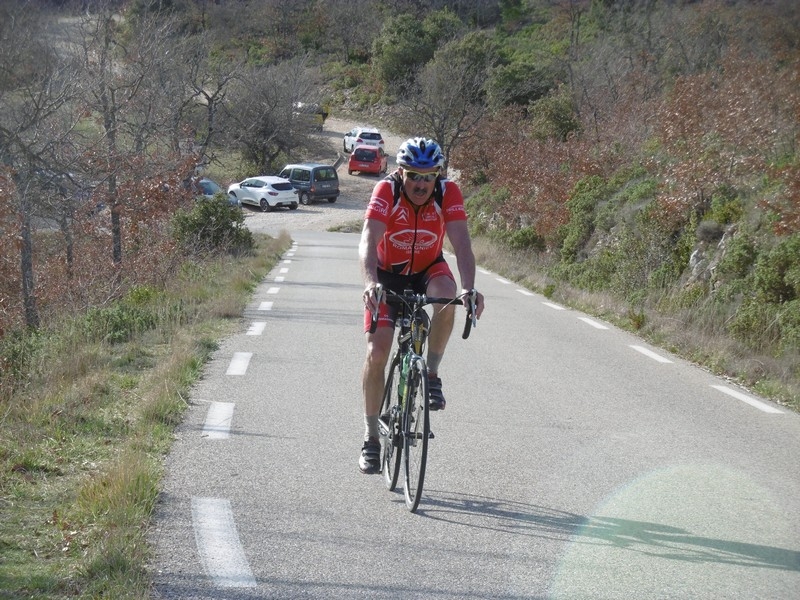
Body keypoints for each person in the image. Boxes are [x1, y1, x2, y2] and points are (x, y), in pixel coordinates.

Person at [358, 137, 485, 474]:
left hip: (428, 268)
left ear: (438, 175)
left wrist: (470, 288)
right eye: (414, 175)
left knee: (448, 294)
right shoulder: (387, 191)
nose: (422, 183)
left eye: (429, 176)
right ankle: (371, 438)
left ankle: (431, 374)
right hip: (387, 275)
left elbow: (461, 243)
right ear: (401, 173)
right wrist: (371, 283)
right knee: (378, 353)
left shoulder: (448, 193)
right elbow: (369, 240)